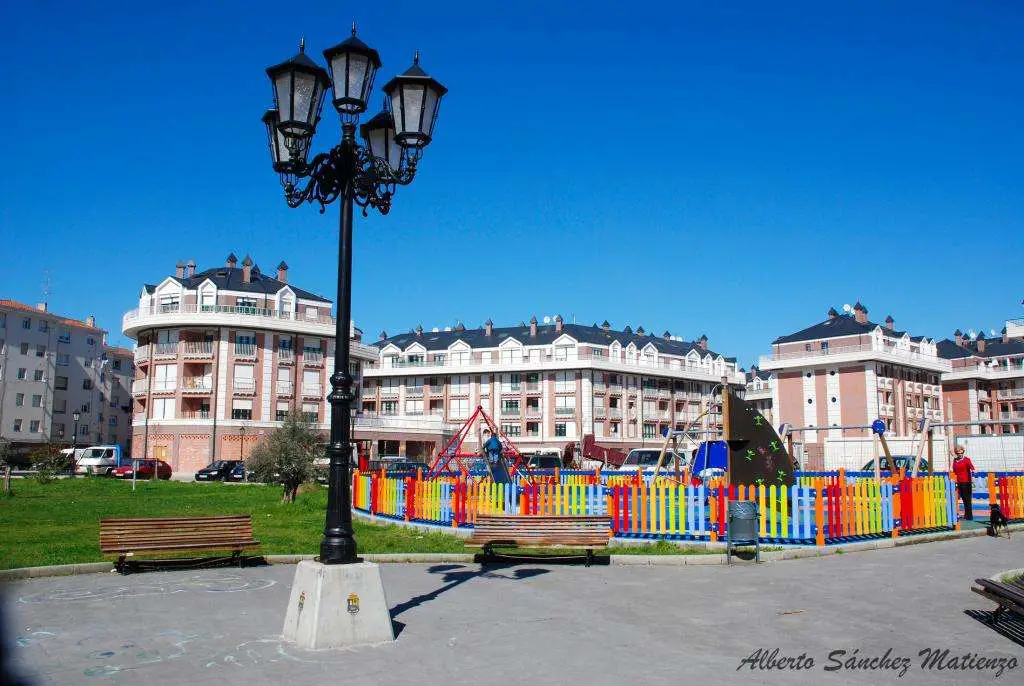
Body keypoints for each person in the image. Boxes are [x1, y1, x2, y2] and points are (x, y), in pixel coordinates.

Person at [951, 446, 976, 521]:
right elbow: (954, 469)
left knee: (967, 499)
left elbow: (970, 465)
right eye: (958, 453)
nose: (960, 454)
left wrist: (973, 470)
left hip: (966, 482)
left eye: (961, 453)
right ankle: (966, 515)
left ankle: (969, 516)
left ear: (963, 452)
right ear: (956, 453)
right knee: (962, 498)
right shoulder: (955, 460)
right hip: (958, 482)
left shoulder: (966, 459)